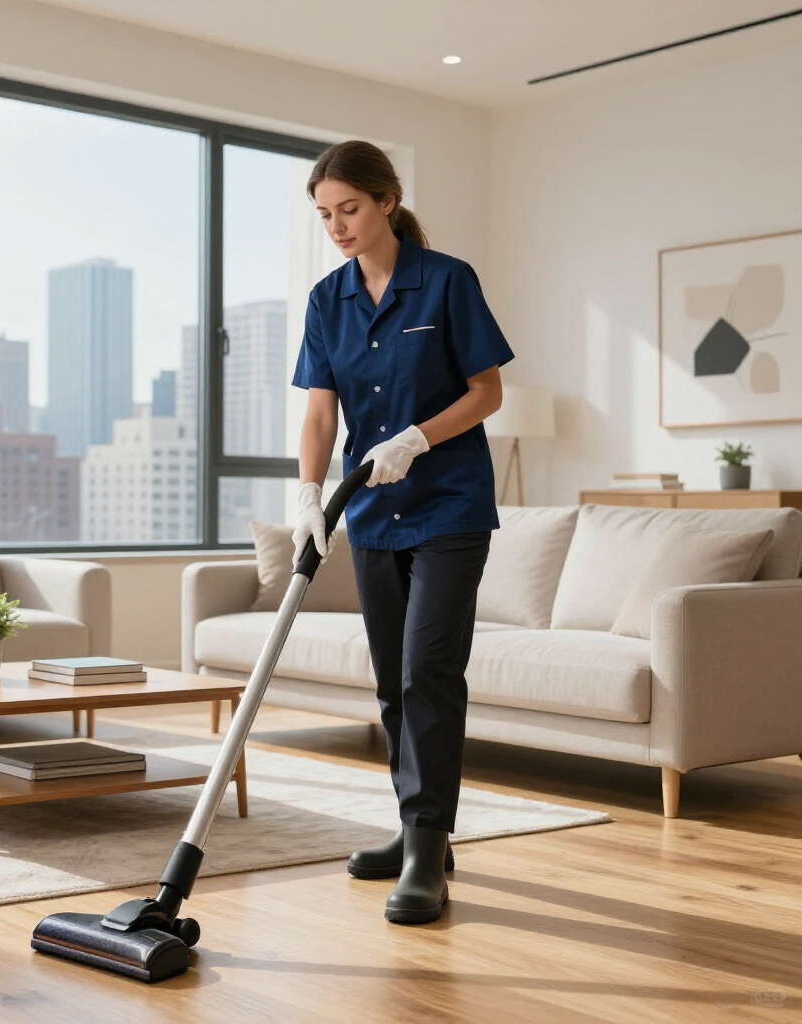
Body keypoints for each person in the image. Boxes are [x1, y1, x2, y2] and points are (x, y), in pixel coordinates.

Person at [291, 140, 514, 925]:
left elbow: (487, 391)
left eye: (348, 208)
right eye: (324, 214)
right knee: (390, 679)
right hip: (372, 514)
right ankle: (417, 827)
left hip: (449, 508)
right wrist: (310, 492)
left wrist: (418, 437)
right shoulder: (328, 300)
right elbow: (321, 409)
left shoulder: (446, 280)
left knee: (428, 672)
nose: (338, 226)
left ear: (387, 200)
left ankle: (426, 849)